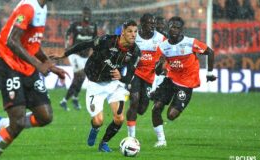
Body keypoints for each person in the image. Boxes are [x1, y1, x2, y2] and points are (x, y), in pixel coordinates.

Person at [0, 0, 67, 160]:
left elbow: (32, 45)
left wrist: (50, 65)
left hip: (28, 67)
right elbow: (12, 40)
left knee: (45, 117)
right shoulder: (28, 8)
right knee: (17, 123)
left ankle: (3, 123)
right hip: (8, 64)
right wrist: (39, 65)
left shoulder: (43, 8)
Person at [57, 20, 141, 152]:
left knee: (119, 118)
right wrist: (65, 53)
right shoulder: (107, 41)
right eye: (130, 31)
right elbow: (85, 44)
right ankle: (95, 128)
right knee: (98, 121)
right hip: (95, 84)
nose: (133, 34)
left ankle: (104, 143)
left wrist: (121, 76)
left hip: (115, 85)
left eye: (135, 32)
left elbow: (129, 77)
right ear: (123, 32)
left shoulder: (135, 51)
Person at [152, 16, 216, 147]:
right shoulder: (163, 47)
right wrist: (159, 65)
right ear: (168, 27)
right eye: (172, 27)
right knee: (156, 108)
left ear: (181, 30)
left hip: (186, 84)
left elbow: (210, 52)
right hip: (170, 79)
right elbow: (158, 71)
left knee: (171, 115)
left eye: (177, 27)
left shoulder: (190, 43)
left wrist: (209, 73)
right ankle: (161, 141)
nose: (174, 29)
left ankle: (176, 104)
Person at [125, 13, 167, 147]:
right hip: (136, 73)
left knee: (142, 109)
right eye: (150, 23)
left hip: (150, 76)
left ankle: (132, 114)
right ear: (142, 24)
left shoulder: (160, 38)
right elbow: (125, 52)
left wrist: (162, 65)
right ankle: (131, 138)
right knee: (134, 102)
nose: (153, 26)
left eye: (154, 23)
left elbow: (164, 57)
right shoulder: (134, 36)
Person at [59, 7, 97, 111]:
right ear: (82, 15)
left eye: (88, 14)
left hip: (85, 57)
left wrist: (93, 51)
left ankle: (72, 98)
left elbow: (95, 39)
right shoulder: (76, 25)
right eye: (85, 14)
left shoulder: (94, 26)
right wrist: (66, 46)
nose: (87, 16)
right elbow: (67, 34)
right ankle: (65, 100)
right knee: (79, 76)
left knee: (81, 78)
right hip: (75, 54)